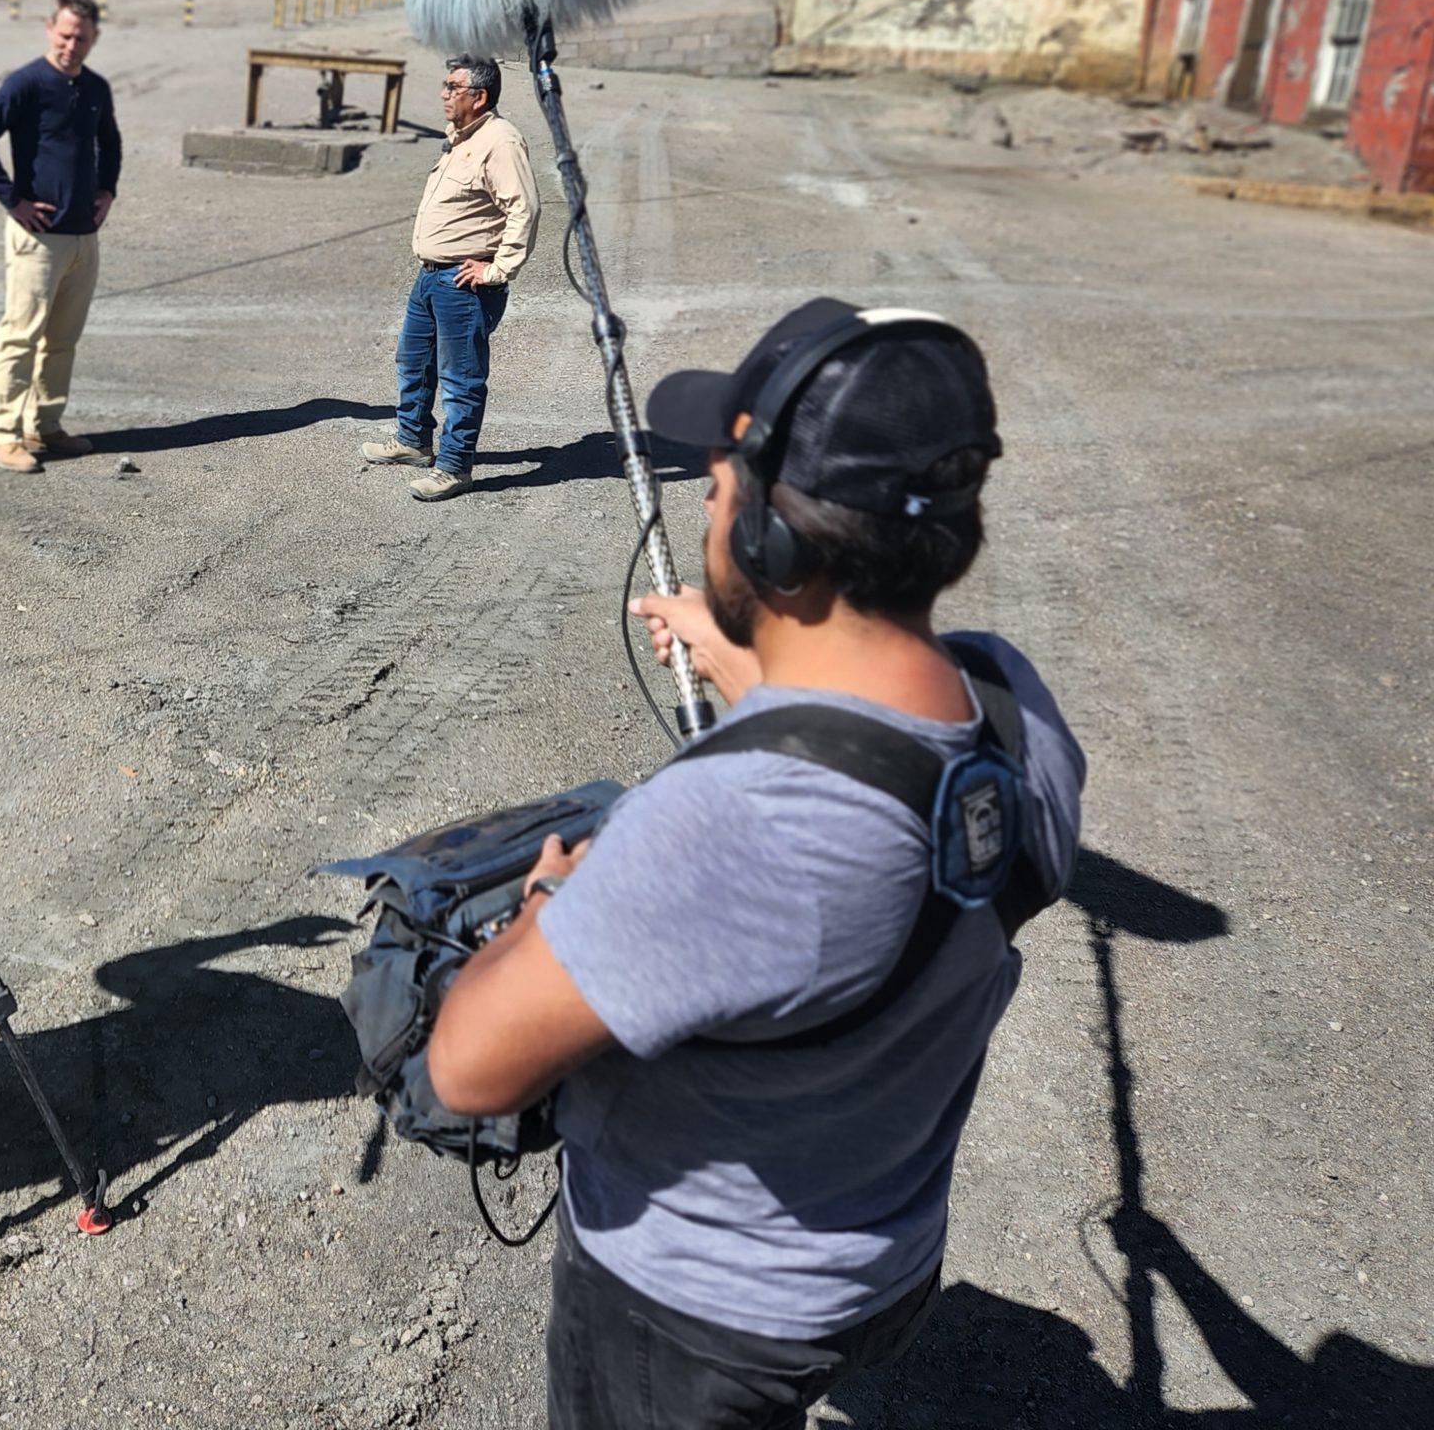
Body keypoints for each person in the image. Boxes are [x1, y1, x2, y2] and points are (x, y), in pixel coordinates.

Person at [426, 299, 1086, 1430]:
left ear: (773, 542)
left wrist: (549, 899)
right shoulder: (1011, 710)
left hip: (693, 1319)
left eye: (722, 475)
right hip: (881, 1260)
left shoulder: (726, 827)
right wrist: (750, 654)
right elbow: (866, 765)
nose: (706, 497)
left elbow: (468, 1072)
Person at [358, 55, 539, 500]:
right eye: (444, 85)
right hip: (430, 277)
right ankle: (412, 441)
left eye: (452, 87)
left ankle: (455, 466)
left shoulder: (501, 141)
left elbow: (525, 209)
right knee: (414, 361)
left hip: (465, 283)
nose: (443, 93)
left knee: (461, 378)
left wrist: (497, 270)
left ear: (478, 97)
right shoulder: (462, 138)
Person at [0, 0, 121, 473]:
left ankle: (45, 425)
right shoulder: (27, 83)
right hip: (38, 238)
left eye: (83, 38)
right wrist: (13, 201)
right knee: (20, 337)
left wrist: (107, 190)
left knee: (63, 339)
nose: (72, 46)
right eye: (66, 35)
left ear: (94, 39)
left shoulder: (94, 87)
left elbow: (110, 142)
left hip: (82, 237)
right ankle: (3, 435)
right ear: (50, 27)